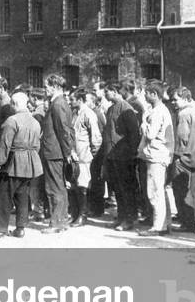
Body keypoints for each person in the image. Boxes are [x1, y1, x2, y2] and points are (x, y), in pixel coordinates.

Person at [0, 91, 42, 238]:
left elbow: (4, 145)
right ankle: (20, 228)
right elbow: (37, 145)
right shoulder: (35, 122)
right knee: (22, 197)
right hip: (30, 164)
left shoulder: (12, 121)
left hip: (12, 163)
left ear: (14, 104)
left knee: (2, 195)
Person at [103, 81, 142, 231]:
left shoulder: (126, 108)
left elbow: (134, 134)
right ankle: (120, 217)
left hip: (124, 157)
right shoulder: (111, 108)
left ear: (114, 91)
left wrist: (131, 155)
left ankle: (129, 219)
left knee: (127, 189)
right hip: (112, 156)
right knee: (117, 189)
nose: (105, 95)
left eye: (107, 91)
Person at [137, 81, 174, 236]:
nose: (144, 95)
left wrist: (144, 123)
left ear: (154, 94)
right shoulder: (159, 110)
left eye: (146, 92)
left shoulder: (158, 112)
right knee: (159, 191)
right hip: (157, 155)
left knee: (154, 191)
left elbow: (150, 134)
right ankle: (165, 224)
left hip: (156, 155)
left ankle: (158, 227)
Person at [39, 74, 74, 234]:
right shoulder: (58, 103)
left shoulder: (58, 103)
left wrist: (67, 152)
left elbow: (64, 130)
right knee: (57, 186)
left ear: (55, 86)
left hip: (54, 153)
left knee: (55, 187)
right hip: (53, 152)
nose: (45, 89)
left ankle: (57, 223)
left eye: (47, 86)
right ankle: (61, 220)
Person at [168, 86, 195, 233]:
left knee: (181, 191)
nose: (173, 102)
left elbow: (181, 137)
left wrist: (176, 157)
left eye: (175, 99)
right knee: (193, 190)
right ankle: (194, 221)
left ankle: (187, 223)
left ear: (185, 98)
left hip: (184, 157)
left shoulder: (183, 114)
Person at [69, 89, 101, 227]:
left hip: (84, 157)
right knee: (75, 185)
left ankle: (83, 215)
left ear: (80, 100)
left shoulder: (89, 114)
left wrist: (91, 155)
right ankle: (76, 214)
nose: (70, 102)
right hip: (75, 156)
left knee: (83, 186)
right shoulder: (75, 113)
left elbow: (96, 138)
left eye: (72, 99)